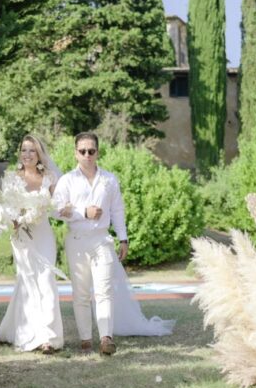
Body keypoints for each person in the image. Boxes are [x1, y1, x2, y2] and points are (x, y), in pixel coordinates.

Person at [53, 132, 175, 355]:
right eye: (82, 151)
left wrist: (123, 238)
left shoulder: (109, 179)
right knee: (80, 293)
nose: (87, 155)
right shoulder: (67, 180)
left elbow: (118, 210)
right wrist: (83, 212)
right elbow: (56, 210)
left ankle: (106, 338)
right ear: (75, 153)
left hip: (102, 240)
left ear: (98, 152)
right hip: (77, 240)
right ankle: (85, 339)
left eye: (91, 151)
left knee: (104, 291)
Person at [0, 134, 65, 354]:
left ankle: (50, 338)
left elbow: (57, 207)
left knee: (46, 279)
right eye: (24, 150)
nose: (27, 154)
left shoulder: (50, 177)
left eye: (32, 150)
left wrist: (64, 209)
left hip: (43, 234)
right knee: (28, 281)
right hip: (21, 236)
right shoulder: (12, 177)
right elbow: (7, 206)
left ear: (39, 154)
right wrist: (13, 220)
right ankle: (29, 334)